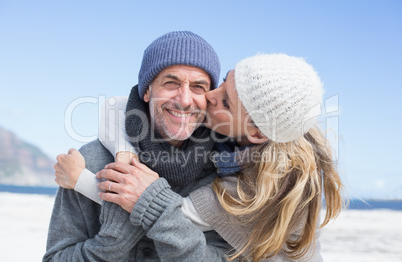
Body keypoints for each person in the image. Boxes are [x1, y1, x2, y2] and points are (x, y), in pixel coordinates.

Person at [54, 53, 344, 261]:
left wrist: (81, 181)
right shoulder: (93, 157)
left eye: (203, 88)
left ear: (257, 134)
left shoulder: (245, 188)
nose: (201, 98)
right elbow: (116, 107)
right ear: (145, 90)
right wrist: (124, 152)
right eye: (170, 82)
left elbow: (157, 208)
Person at [44, 31, 233, 261]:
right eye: (171, 83)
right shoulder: (92, 162)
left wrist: (151, 208)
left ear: (210, 96)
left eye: (198, 87)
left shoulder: (226, 176)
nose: (184, 100)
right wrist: (112, 244)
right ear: (147, 91)